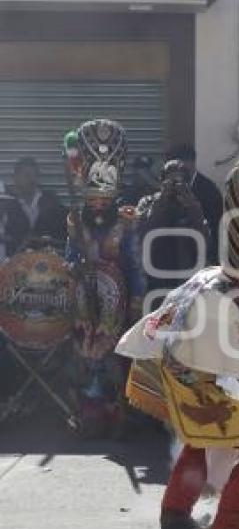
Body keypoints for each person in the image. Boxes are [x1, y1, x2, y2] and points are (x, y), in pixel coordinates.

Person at [116, 153, 239, 529]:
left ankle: (175, 513)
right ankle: (229, 528)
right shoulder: (222, 298)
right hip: (185, 384)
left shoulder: (211, 275)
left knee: (202, 438)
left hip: (162, 370)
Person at [65, 119, 145, 436]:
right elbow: (69, 257)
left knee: (117, 356)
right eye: (92, 197)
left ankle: (118, 411)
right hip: (85, 300)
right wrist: (74, 267)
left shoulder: (126, 222)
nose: (98, 203)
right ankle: (88, 411)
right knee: (86, 355)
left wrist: (138, 298)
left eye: (104, 198)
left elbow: (135, 265)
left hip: (118, 300)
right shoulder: (74, 221)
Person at [136, 160, 210, 293]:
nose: (175, 186)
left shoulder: (192, 203)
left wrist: (191, 206)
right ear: (161, 182)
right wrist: (162, 200)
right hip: (155, 273)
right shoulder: (148, 202)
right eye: (170, 182)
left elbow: (204, 239)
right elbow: (142, 232)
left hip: (186, 273)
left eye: (179, 182)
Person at [164, 144, 223, 263]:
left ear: (191, 162)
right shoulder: (165, 188)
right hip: (171, 254)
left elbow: (215, 224)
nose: (177, 170)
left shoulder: (208, 189)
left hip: (201, 255)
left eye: (179, 165)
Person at [1, 156, 67, 253]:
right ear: (15, 178)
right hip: (18, 262)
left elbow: (65, 231)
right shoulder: (9, 205)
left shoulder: (51, 202)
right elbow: (7, 236)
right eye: (27, 175)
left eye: (34, 175)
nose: (31, 180)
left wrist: (48, 239)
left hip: (49, 260)